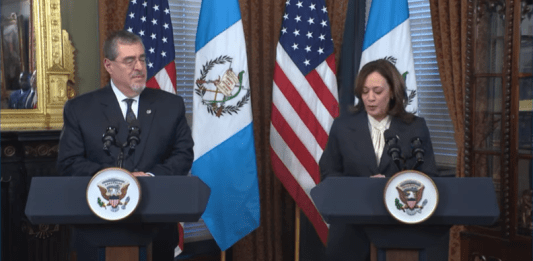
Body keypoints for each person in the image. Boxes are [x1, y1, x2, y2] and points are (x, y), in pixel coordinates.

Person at [57, 30, 193, 261]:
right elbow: (69, 162)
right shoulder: (80, 109)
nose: (138, 67)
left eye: (141, 59)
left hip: (156, 228)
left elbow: (183, 155)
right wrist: (117, 179)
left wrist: (148, 176)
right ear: (109, 65)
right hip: (97, 229)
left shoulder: (171, 106)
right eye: (129, 61)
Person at [319, 59, 438, 261]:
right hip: (351, 230)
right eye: (365, 92)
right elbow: (329, 173)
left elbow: (428, 176)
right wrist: (364, 186)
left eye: (377, 91)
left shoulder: (415, 128)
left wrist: (390, 185)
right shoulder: (342, 127)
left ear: (392, 92)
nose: (370, 98)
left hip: (399, 230)